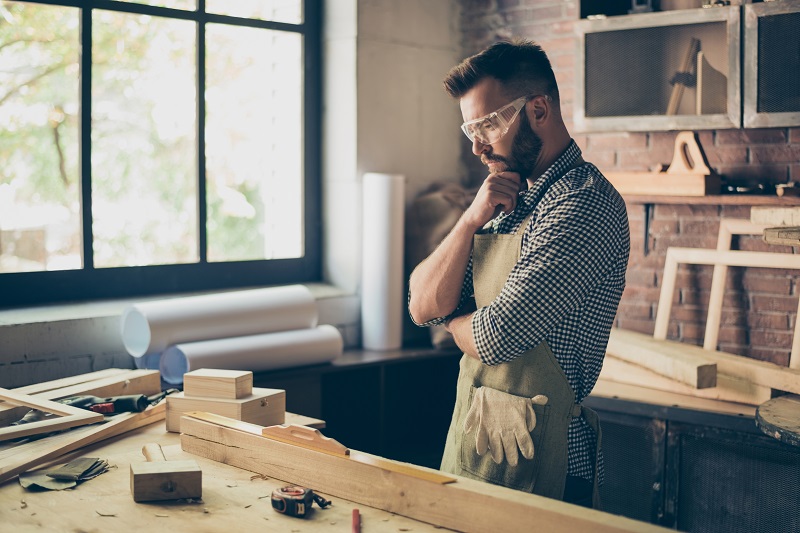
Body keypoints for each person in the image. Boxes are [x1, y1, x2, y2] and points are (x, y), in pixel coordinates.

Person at [407, 38, 630, 509]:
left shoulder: (583, 204)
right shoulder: (506, 201)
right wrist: (469, 220)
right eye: (471, 128)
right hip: (476, 447)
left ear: (539, 110)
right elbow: (420, 304)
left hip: (546, 464)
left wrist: (452, 320)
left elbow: (496, 337)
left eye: (488, 124)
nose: (476, 145)